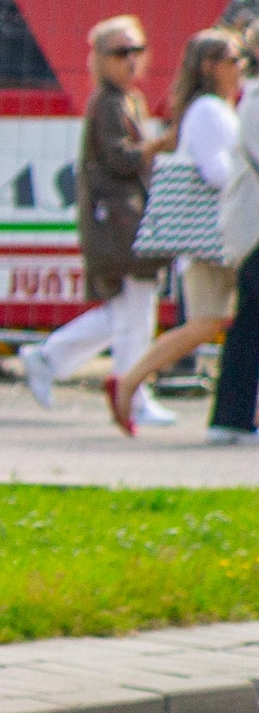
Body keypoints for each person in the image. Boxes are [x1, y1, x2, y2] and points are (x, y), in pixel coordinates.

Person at [19, 17, 177, 421]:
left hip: (124, 220)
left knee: (126, 312)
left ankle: (50, 359)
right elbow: (118, 158)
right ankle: (131, 397)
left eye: (137, 51)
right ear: (99, 60)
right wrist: (158, 145)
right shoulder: (107, 102)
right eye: (120, 52)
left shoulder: (127, 99)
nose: (131, 60)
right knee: (134, 312)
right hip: (118, 223)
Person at [108, 27, 244, 433]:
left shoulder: (214, 109)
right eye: (234, 59)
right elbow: (216, 171)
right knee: (206, 323)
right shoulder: (208, 111)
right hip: (216, 236)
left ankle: (129, 381)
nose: (240, 68)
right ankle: (129, 381)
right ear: (210, 66)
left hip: (223, 235)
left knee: (211, 322)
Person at [207, 51, 259, 443]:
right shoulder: (255, 100)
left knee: (248, 326)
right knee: (248, 326)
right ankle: (232, 420)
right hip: (255, 233)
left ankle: (232, 420)